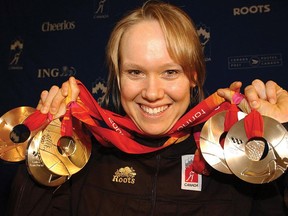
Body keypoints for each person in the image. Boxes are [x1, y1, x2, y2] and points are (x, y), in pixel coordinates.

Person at [6, 1, 288, 215]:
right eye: (135, 72)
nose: (152, 93)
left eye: (170, 72)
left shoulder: (234, 155)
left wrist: (282, 137)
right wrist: (43, 150)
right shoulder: (82, 154)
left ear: (193, 77)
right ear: (117, 78)